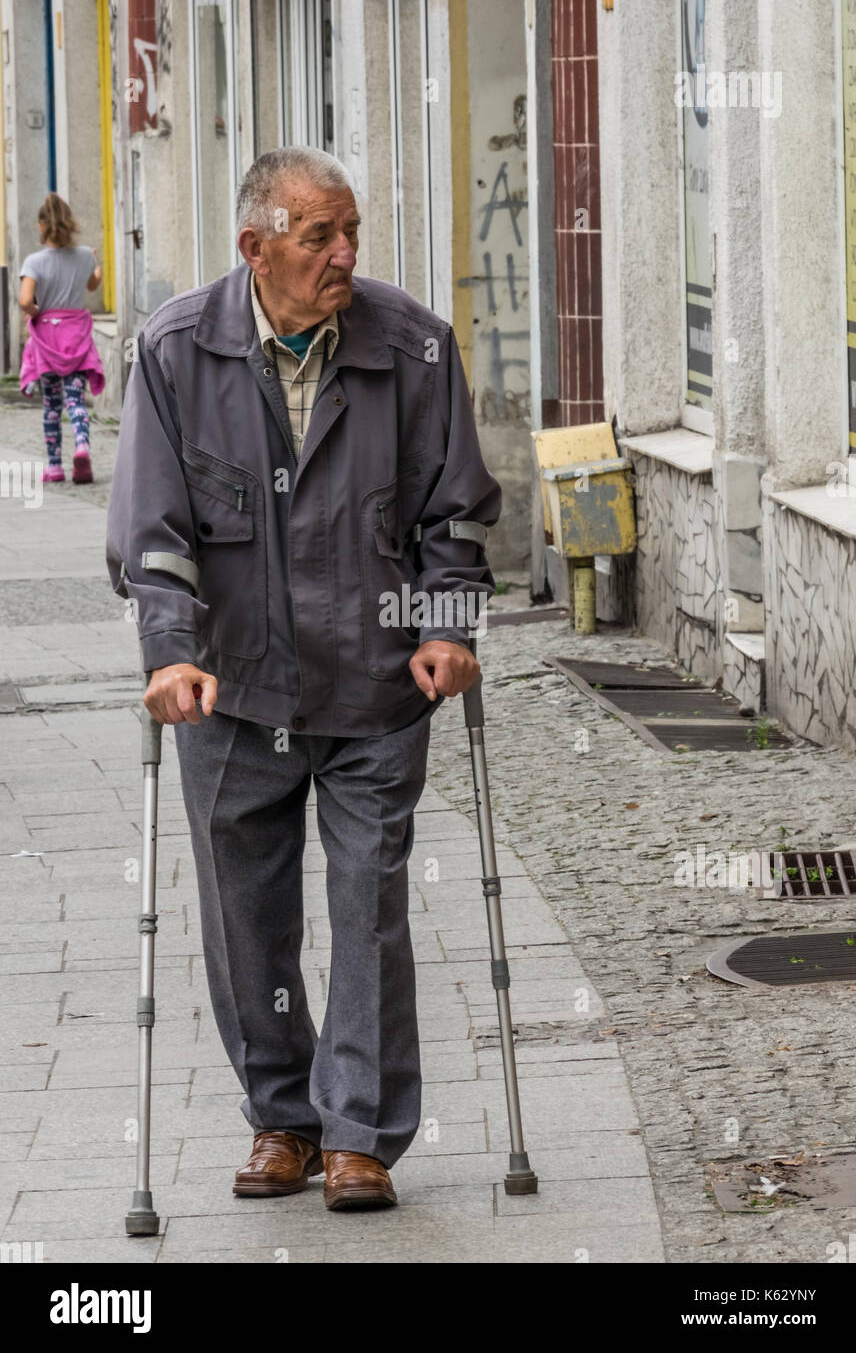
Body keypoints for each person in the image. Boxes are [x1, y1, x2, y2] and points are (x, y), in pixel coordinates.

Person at [106, 145, 501, 1212]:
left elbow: (453, 514)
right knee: (248, 918)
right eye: (318, 235)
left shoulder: (411, 345)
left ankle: (360, 1134)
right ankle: (282, 1116)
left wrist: (447, 626)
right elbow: (151, 530)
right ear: (255, 246)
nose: (343, 253)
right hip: (231, 691)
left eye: (350, 231)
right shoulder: (176, 351)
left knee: (369, 899)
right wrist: (169, 649)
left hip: (375, 685)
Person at [19, 192, 105, 483]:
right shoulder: (84, 256)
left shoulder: (34, 261)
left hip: (47, 340)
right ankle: (82, 446)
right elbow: (93, 285)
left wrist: (34, 312)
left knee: (52, 404)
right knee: (75, 399)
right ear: (70, 224)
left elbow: (25, 300)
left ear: (42, 226)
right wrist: (96, 265)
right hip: (76, 337)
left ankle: (54, 466)